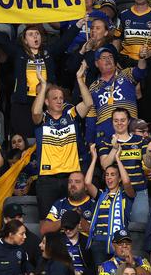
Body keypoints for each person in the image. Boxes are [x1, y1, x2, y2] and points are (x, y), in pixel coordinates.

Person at [0, 22, 79, 138]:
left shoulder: (48, 52)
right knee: (26, 136)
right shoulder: (19, 53)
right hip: (23, 102)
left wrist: (78, 25)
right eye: (31, 34)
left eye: (37, 34)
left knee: (46, 135)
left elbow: (64, 41)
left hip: (47, 102)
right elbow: (3, 41)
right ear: (25, 40)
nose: (35, 36)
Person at [32, 63, 92, 217]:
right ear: (47, 102)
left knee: (71, 221)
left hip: (70, 178)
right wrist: (43, 86)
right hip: (47, 179)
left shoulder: (71, 114)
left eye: (61, 98)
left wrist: (79, 79)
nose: (59, 101)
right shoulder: (42, 118)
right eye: (54, 98)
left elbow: (88, 104)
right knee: (47, 222)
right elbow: (35, 113)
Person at [98, 108, 151, 223]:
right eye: (116, 120)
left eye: (122, 120)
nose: (119, 123)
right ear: (112, 122)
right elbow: (104, 165)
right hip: (116, 191)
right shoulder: (106, 141)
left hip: (139, 190)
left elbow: (149, 164)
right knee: (118, 227)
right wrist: (114, 148)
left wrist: (148, 151)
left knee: (140, 226)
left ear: (128, 121)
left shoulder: (139, 140)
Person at [85, 45, 147, 145]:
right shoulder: (93, 87)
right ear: (96, 63)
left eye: (110, 57)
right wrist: (90, 142)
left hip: (129, 132)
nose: (108, 60)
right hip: (105, 136)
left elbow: (140, 71)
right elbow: (91, 117)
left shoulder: (126, 74)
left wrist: (142, 58)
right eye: (104, 58)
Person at [85, 144, 135, 264]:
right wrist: (94, 158)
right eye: (107, 175)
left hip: (118, 242)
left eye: (113, 175)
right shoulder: (101, 195)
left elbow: (127, 182)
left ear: (119, 179)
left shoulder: (125, 195)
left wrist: (118, 158)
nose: (109, 178)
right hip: (98, 242)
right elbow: (87, 183)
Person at [40, 171, 95, 236]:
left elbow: (99, 233)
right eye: (70, 182)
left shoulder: (94, 205)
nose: (72, 185)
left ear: (86, 186)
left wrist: (79, 219)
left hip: (84, 245)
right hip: (62, 244)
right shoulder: (60, 203)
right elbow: (44, 230)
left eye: (77, 182)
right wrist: (66, 219)